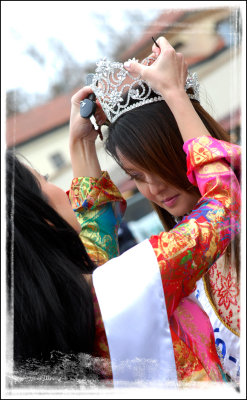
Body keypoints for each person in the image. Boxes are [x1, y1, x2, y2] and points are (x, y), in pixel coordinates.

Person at [6, 44, 241, 389]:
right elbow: (223, 204)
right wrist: (174, 93)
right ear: (41, 220)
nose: (155, 187)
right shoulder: (140, 281)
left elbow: (100, 261)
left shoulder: (48, 326)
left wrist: (81, 147)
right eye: (45, 180)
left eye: (160, 163)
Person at [87, 36, 241, 383]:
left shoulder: (228, 215)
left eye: (160, 163)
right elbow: (106, 285)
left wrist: (174, 95)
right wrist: (82, 145)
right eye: (137, 176)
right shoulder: (179, 260)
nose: (153, 188)